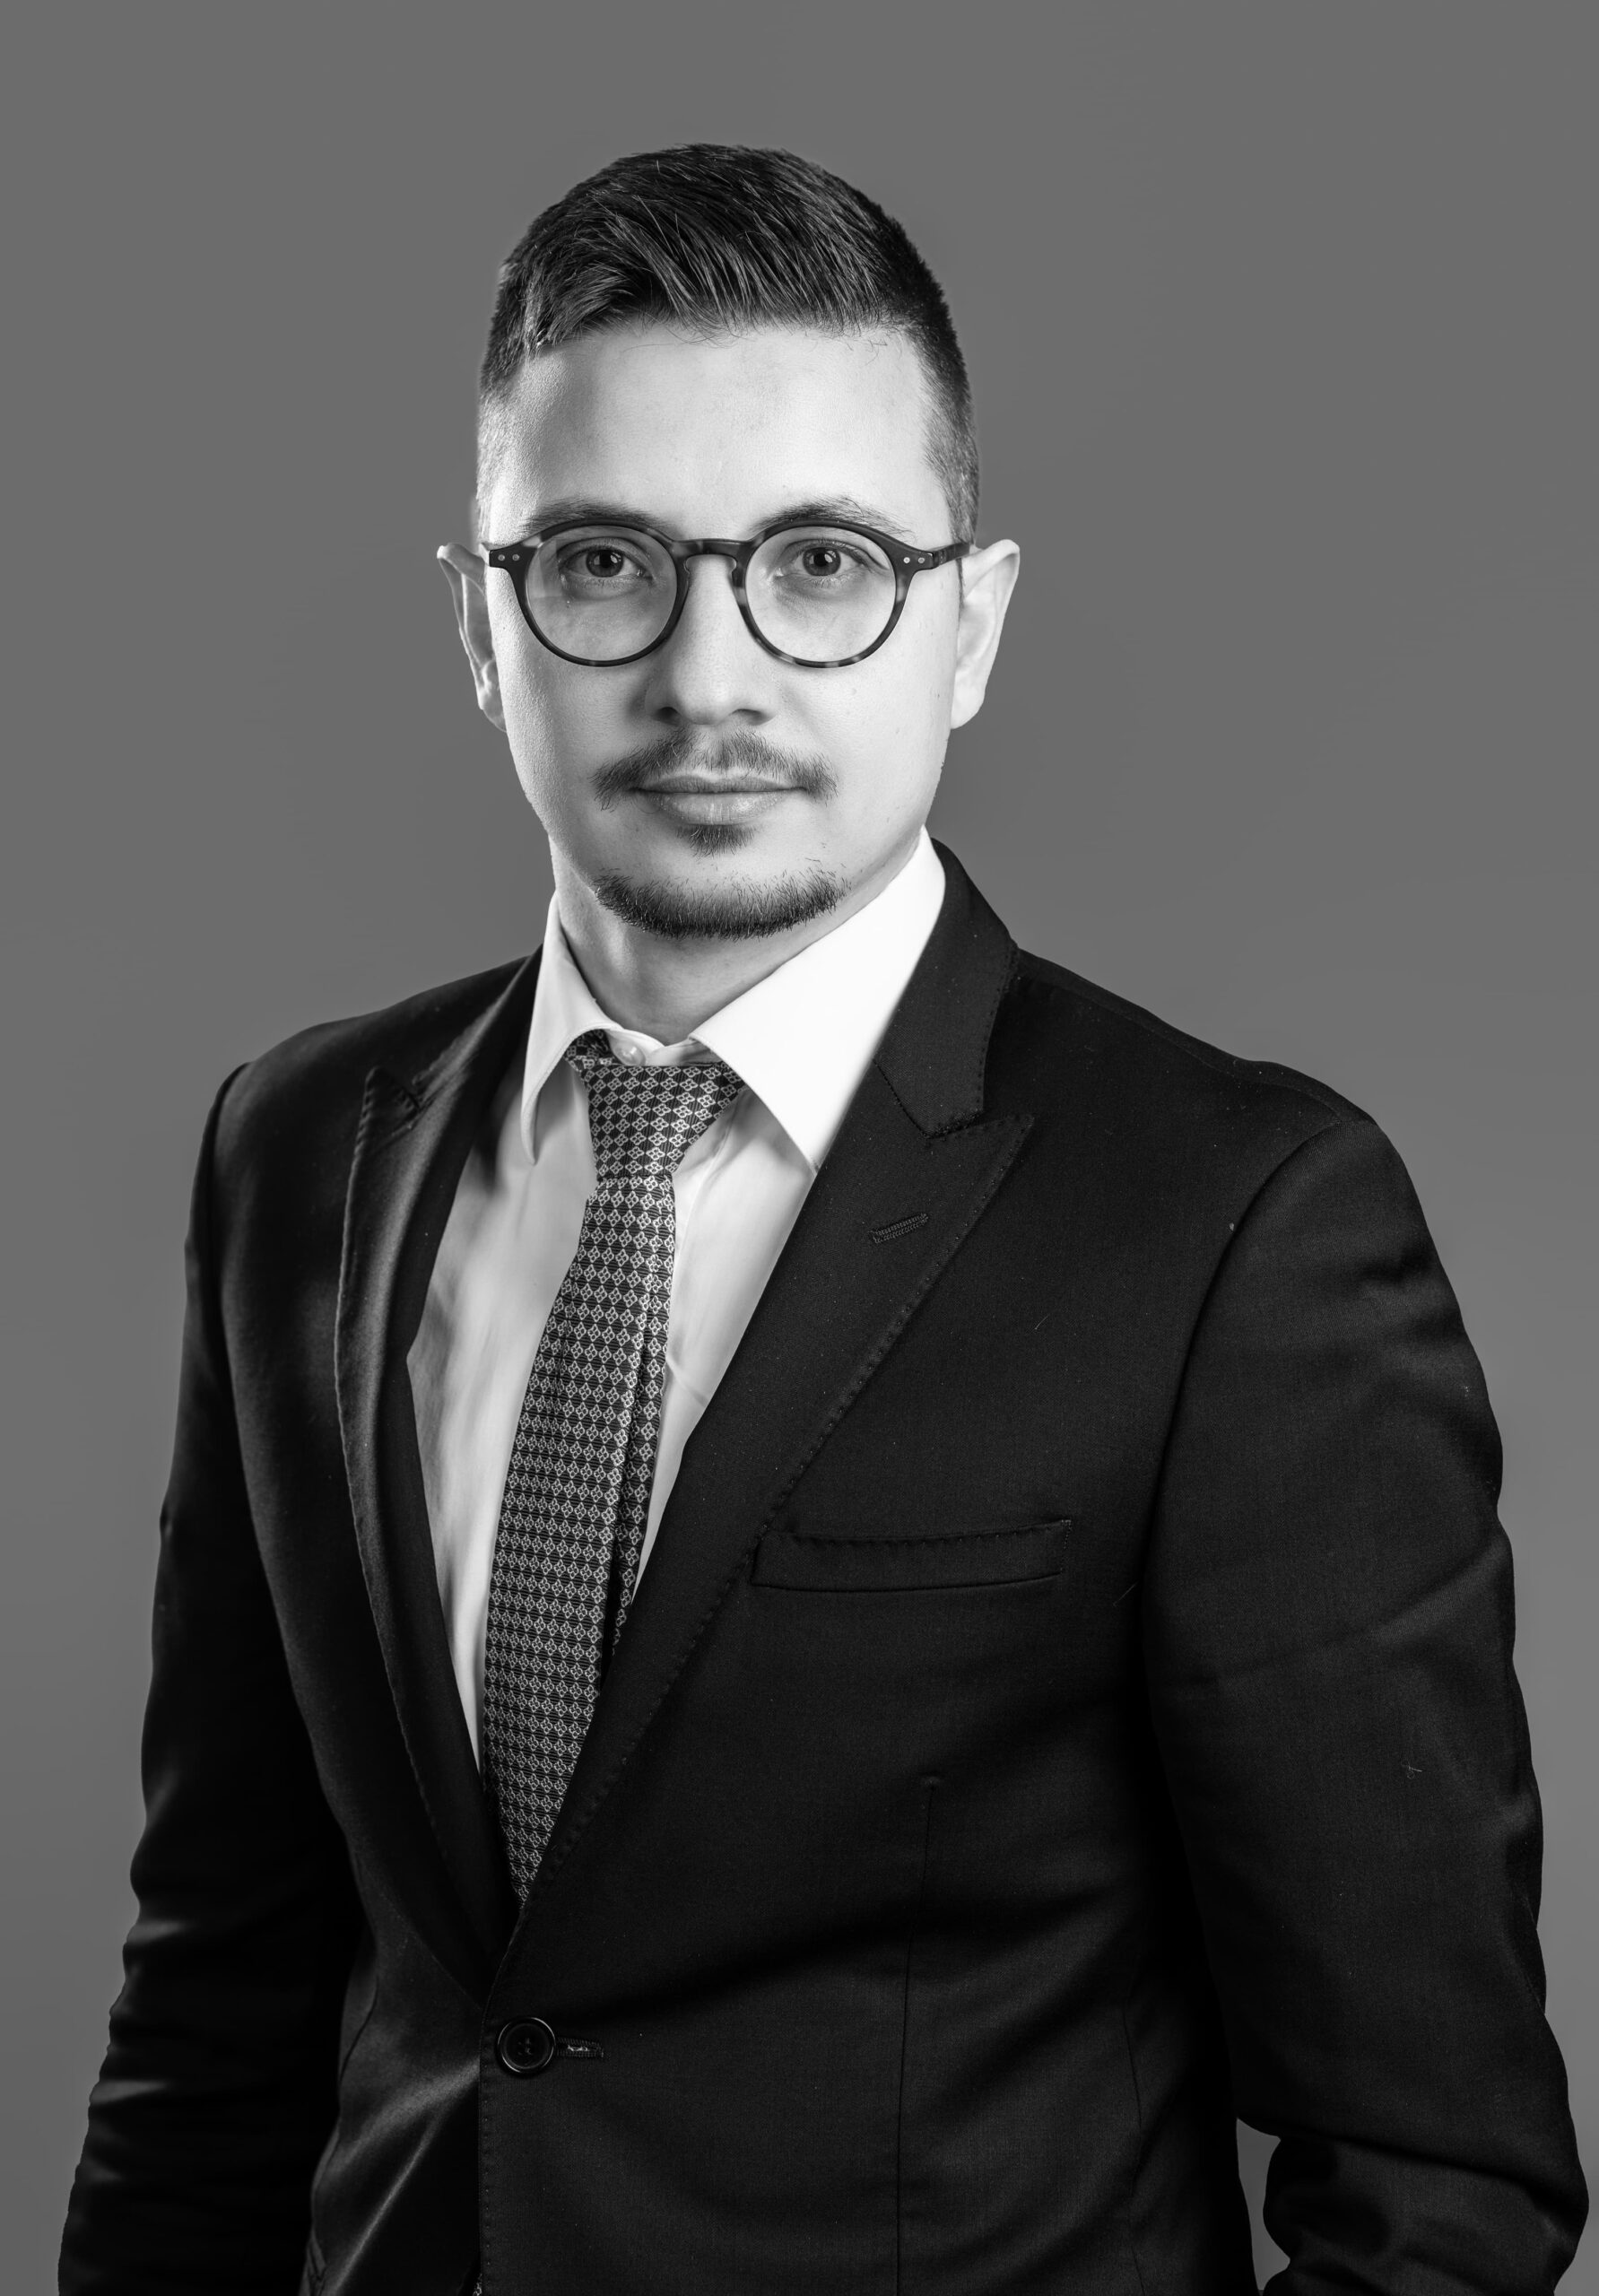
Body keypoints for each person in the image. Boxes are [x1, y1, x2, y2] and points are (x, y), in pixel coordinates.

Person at [61, 144, 1585, 2296]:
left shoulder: (1234, 1224)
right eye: (603, 561)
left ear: (971, 625)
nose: (711, 676)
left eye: (821, 563)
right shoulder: (298, 1149)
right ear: (480, 624)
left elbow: (1435, 2181)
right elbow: (216, 2008)